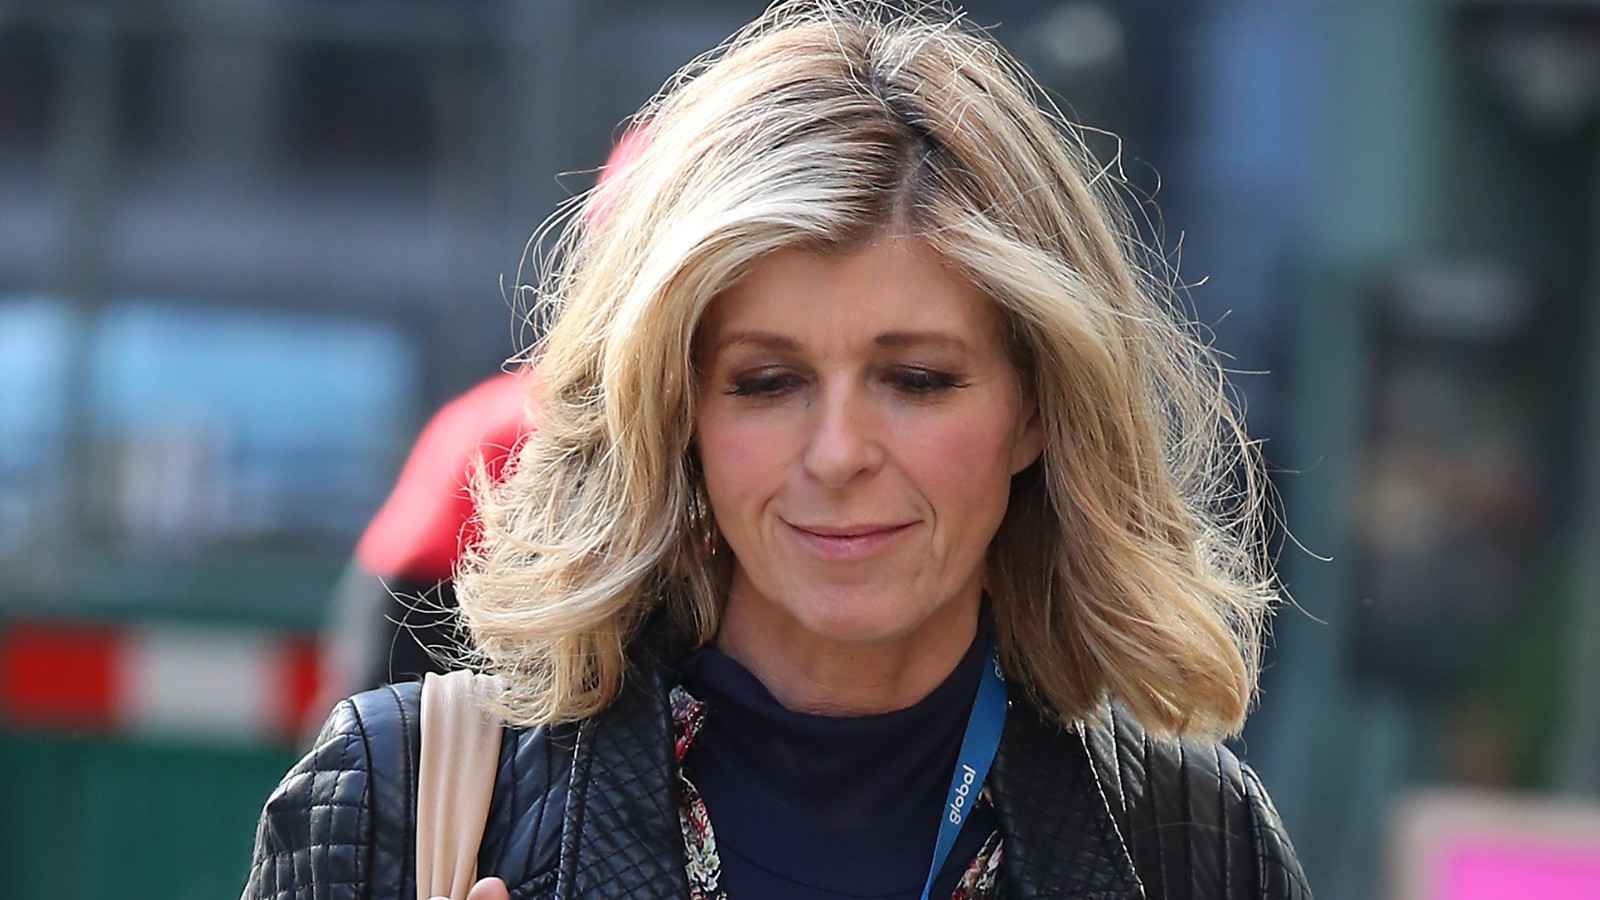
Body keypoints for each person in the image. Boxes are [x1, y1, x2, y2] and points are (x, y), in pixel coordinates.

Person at [243, 2, 1310, 898]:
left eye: (917, 380)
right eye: (766, 383)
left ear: (1036, 408)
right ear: (678, 413)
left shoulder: (1195, 847)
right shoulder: (399, 798)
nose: (838, 453)